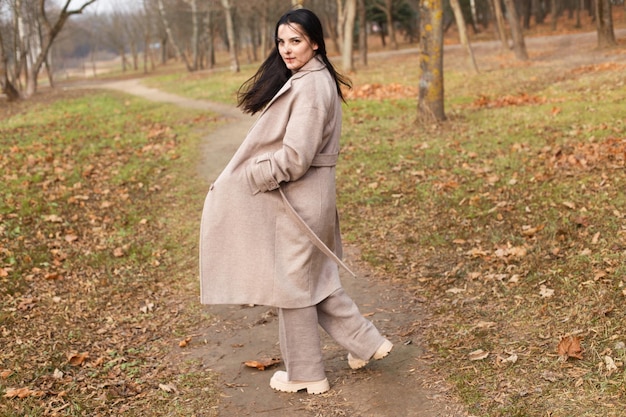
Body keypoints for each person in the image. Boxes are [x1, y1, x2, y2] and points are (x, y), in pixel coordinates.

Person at [199, 7, 392, 395]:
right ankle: (367, 343)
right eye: (282, 41)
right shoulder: (313, 77)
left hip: (301, 198)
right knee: (311, 279)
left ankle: (306, 373)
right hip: (311, 195)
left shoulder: (309, 88)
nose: (286, 50)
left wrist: (255, 173)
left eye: (296, 41)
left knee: (291, 286)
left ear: (315, 42)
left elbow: (295, 157)